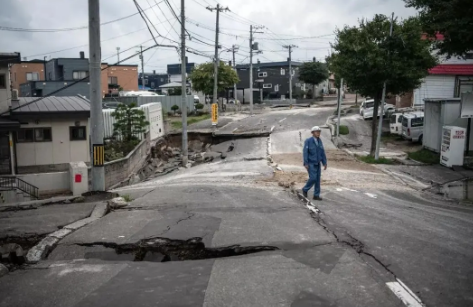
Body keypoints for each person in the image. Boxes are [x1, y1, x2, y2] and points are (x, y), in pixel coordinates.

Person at [302, 126, 327, 200]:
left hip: (317, 163)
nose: (318, 133)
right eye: (316, 132)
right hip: (310, 163)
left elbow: (322, 152)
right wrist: (306, 163)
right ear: (312, 133)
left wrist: (324, 162)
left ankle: (316, 195)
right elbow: (305, 152)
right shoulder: (308, 141)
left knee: (317, 180)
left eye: (319, 132)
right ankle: (305, 189)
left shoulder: (320, 141)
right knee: (313, 178)